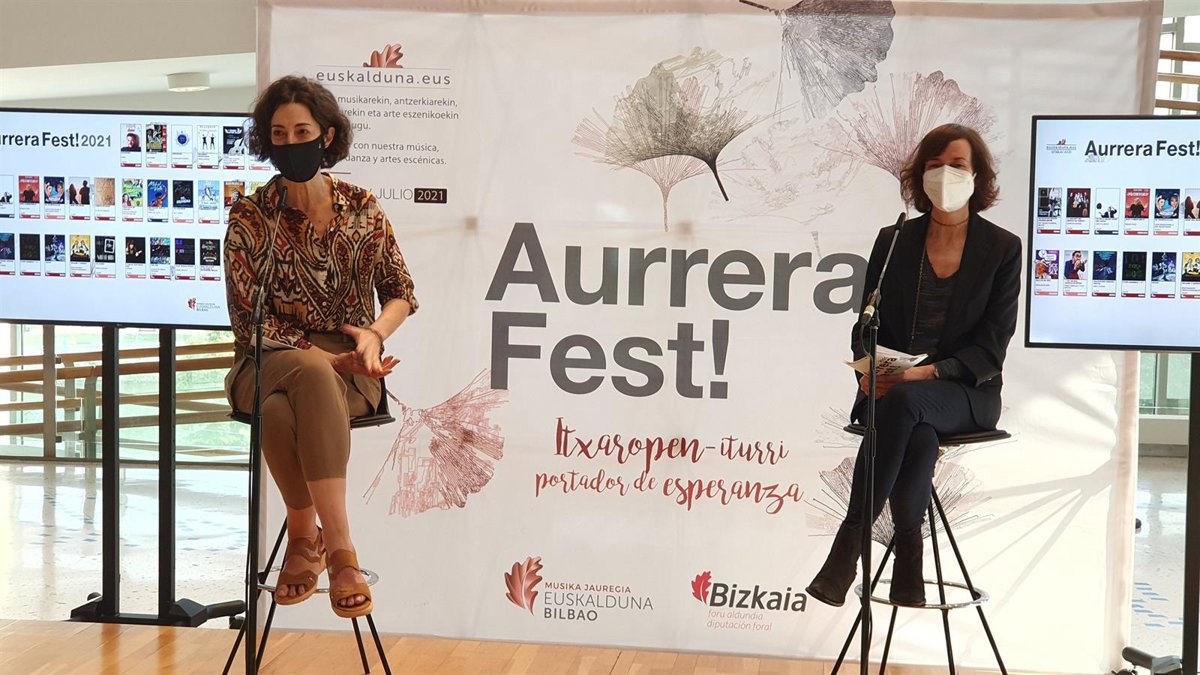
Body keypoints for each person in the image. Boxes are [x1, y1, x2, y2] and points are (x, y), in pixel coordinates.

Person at [223, 75, 417, 618]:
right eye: (278, 134)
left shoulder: (363, 207)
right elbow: (246, 319)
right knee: (307, 372)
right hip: (264, 359)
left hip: (353, 371)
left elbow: (401, 292)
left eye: (302, 132)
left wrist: (374, 335)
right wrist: (323, 357)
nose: (290, 143)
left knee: (282, 411)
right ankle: (342, 550)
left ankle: (302, 539)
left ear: (326, 136)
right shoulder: (249, 217)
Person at [806, 124, 1021, 608]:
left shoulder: (1002, 249)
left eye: (957, 165)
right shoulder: (894, 240)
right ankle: (908, 558)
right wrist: (870, 371)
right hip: (897, 394)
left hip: (966, 393)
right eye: (934, 165)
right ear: (920, 174)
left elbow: (992, 347)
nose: (945, 174)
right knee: (916, 433)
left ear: (978, 176)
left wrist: (924, 374)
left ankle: (848, 546)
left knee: (906, 403)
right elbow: (866, 322)